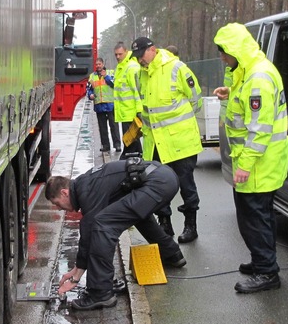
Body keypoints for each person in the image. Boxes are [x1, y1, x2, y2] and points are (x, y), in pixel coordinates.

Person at [45, 159, 187, 311]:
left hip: (158, 182)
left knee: (103, 225)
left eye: (58, 204)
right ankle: (172, 254)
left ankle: (100, 293)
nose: (60, 209)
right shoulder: (85, 184)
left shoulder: (86, 190)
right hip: (164, 178)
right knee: (135, 216)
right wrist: (77, 270)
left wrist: (77, 274)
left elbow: (89, 230)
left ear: (64, 193)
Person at [213, 22, 288, 294]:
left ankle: (267, 272)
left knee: (254, 219)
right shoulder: (249, 71)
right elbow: (247, 111)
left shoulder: (257, 77)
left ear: (236, 49)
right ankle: (263, 261)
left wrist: (244, 165)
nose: (222, 57)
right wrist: (229, 93)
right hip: (260, 161)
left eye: (224, 52)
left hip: (257, 164)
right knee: (261, 217)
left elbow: (259, 128)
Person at [131, 36, 203, 244]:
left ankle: (191, 225)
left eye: (141, 55)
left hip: (181, 142)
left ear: (152, 50)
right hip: (155, 143)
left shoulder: (177, 68)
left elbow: (195, 99)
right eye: (136, 57)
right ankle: (165, 223)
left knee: (186, 185)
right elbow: (147, 109)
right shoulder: (140, 75)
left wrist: (180, 125)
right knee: (158, 186)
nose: (139, 60)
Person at [113, 42, 143, 159]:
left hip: (131, 114)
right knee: (133, 143)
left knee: (130, 143)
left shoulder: (131, 67)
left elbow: (138, 91)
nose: (118, 57)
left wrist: (139, 111)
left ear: (126, 52)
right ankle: (139, 162)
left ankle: (126, 163)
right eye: (116, 55)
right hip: (125, 113)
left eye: (120, 54)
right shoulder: (121, 67)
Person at [87, 57, 121, 152]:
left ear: (103, 64)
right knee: (102, 128)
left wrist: (106, 76)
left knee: (114, 126)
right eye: (96, 64)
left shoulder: (110, 73)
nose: (98, 66)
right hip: (99, 105)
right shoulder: (92, 76)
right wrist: (91, 95)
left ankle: (117, 145)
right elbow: (88, 89)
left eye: (99, 64)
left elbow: (114, 84)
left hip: (110, 104)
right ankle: (105, 145)